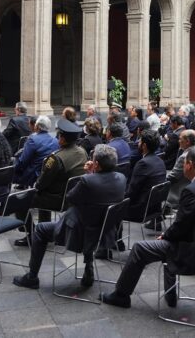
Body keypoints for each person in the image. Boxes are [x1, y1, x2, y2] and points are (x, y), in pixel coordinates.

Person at [100, 148, 195, 309]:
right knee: (164, 242)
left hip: (194, 251)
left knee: (139, 248)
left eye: (184, 163)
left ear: (189, 165)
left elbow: (180, 226)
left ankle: (121, 295)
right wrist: (168, 235)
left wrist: (165, 236)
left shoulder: (192, 190)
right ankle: (170, 294)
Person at [12, 145, 126, 289]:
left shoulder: (87, 181)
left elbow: (70, 198)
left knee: (40, 229)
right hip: (105, 231)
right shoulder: (121, 178)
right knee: (90, 218)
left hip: (78, 232)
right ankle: (88, 268)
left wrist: (88, 174)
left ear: (96, 163)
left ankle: (32, 277)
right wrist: (92, 174)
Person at [14, 119, 87, 247]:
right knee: (42, 194)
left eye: (59, 135)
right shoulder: (82, 152)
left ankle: (32, 234)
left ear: (63, 139)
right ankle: (45, 231)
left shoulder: (56, 158)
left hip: (58, 199)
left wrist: (35, 187)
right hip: (73, 198)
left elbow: (41, 183)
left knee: (19, 201)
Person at [125, 130, 166, 222]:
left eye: (140, 141)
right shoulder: (160, 160)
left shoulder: (143, 163)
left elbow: (132, 191)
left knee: (111, 209)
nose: (138, 143)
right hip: (155, 209)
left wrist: (119, 199)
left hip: (141, 211)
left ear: (144, 145)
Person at [14, 115, 58, 188]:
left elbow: (23, 161)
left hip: (33, 175)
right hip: (47, 173)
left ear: (37, 126)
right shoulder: (55, 141)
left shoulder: (33, 139)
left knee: (12, 165)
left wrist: (14, 168)